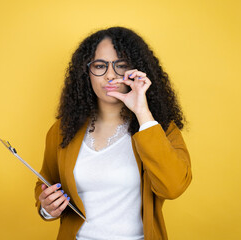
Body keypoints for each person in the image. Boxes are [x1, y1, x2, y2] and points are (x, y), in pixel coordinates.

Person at [34, 26, 192, 240]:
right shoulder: (63, 130)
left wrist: (142, 112)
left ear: (136, 71)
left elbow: (173, 187)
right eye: (100, 66)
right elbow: (45, 183)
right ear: (86, 72)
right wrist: (46, 208)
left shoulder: (158, 128)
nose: (110, 75)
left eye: (121, 66)